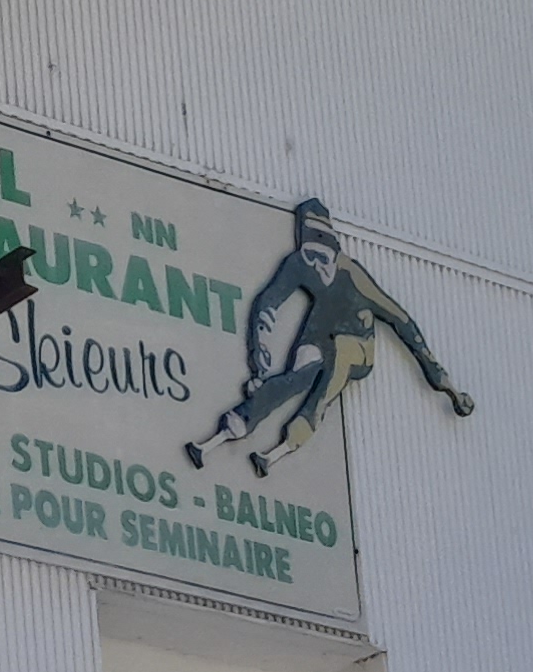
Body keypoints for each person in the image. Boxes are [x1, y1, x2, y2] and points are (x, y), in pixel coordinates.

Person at [187, 199, 474, 477]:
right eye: (310, 256)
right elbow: (268, 302)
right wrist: (259, 360)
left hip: (357, 344)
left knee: (333, 370)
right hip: (320, 330)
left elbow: (402, 320)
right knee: (295, 377)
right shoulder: (299, 264)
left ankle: (295, 435)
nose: (317, 266)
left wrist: (442, 381)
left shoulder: (353, 276)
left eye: (323, 258)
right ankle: (238, 423)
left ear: (335, 252)